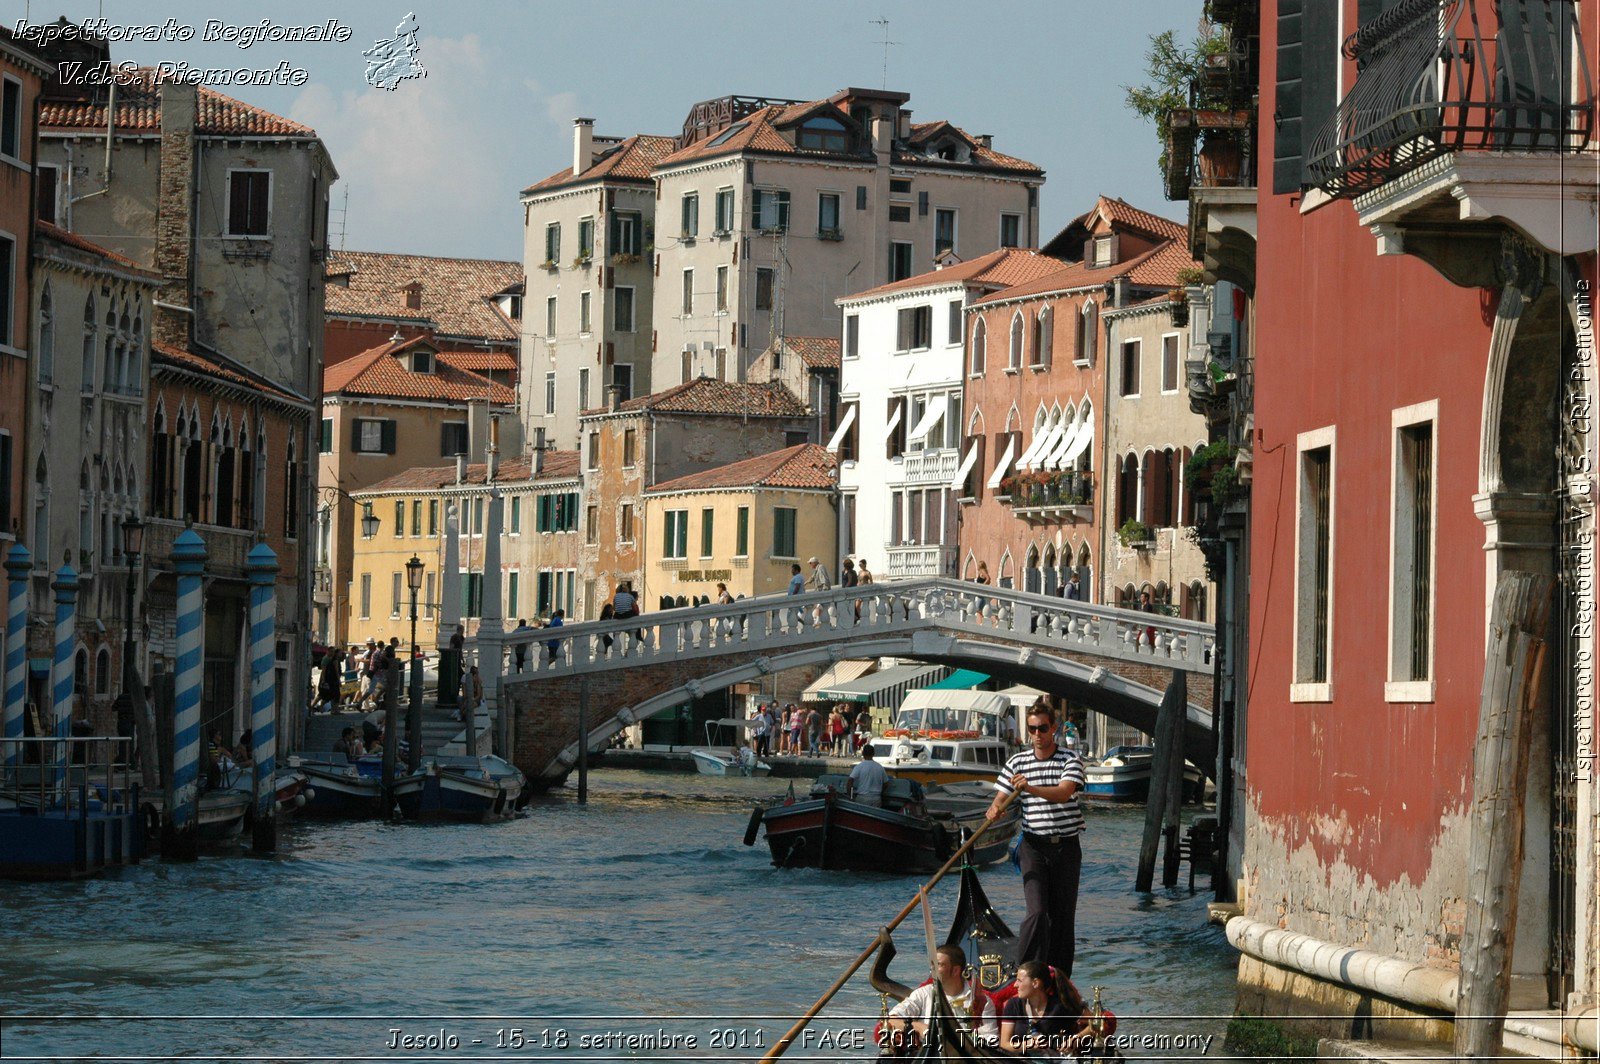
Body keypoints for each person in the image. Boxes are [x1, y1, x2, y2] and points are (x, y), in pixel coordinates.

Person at [986, 703, 1086, 981]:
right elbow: (1001, 795)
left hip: (1066, 847)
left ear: (1053, 728)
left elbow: (1064, 793)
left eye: (1043, 728)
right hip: (1033, 846)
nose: (1038, 734)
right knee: (1038, 912)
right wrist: (995, 808)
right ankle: (1026, 974)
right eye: (1032, 729)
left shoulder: (1070, 760)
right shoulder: (1017, 762)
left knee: (1063, 920)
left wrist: (1028, 788)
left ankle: (1060, 979)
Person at [884, 944, 998, 1047]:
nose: (932, 969)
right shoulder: (923, 994)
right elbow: (891, 1019)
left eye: (938, 964)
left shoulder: (981, 1001)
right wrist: (919, 1027)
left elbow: (990, 1041)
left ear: (955, 970)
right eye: (932, 964)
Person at [996, 960, 1080, 1057]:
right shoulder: (1014, 1005)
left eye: (1019, 980)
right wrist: (1027, 1045)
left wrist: (1075, 1039)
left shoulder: (1060, 1006)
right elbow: (1004, 1044)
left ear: (1035, 983)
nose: (1015, 985)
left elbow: (1093, 1024)